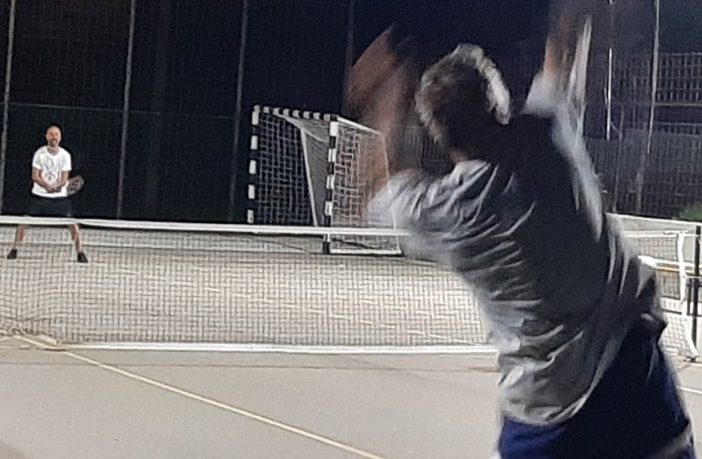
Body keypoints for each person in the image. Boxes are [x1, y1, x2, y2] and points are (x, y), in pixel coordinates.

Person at [366, 26, 695, 459]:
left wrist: (388, 95)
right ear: (499, 105)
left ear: (438, 134)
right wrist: (571, 23)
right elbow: (561, 58)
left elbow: (381, 180)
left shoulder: (436, 211)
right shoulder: (549, 136)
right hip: (629, 376)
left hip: (544, 408)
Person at [6, 125, 88, 263]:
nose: (54, 137)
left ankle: (80, 252)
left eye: (56, 134)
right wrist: (47, 187)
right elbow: (35, 176)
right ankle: (14, 249)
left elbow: (64, 178)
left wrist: (56, 187)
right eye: (51, 134)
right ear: (46, 136)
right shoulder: (40, 154)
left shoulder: (65, 155)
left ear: (60, 137)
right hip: (39, 197)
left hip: (59, 198)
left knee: (73, 224)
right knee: (24, 222)